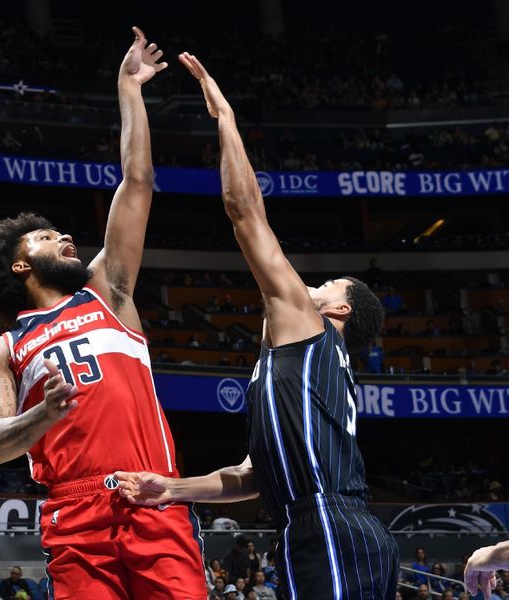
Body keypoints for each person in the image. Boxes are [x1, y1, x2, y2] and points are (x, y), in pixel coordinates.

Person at [114, 52, 399, 599]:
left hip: (327, 526)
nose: (312, 286)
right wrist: (171, 489)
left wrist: (225, 119)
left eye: (329, 286)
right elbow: (250, 475)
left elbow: (244, 211)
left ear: (338, 312)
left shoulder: (309, 327)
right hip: (325, 524)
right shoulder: (309, 372)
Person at [0, 27, 204, 599]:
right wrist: (43, 415)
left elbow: (138, 183)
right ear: (19, 268)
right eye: (47, 238)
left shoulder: (108, 292)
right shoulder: (7, 350)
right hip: (73, 511)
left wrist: (130, 90)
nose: (65, 236)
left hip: (151, 492)